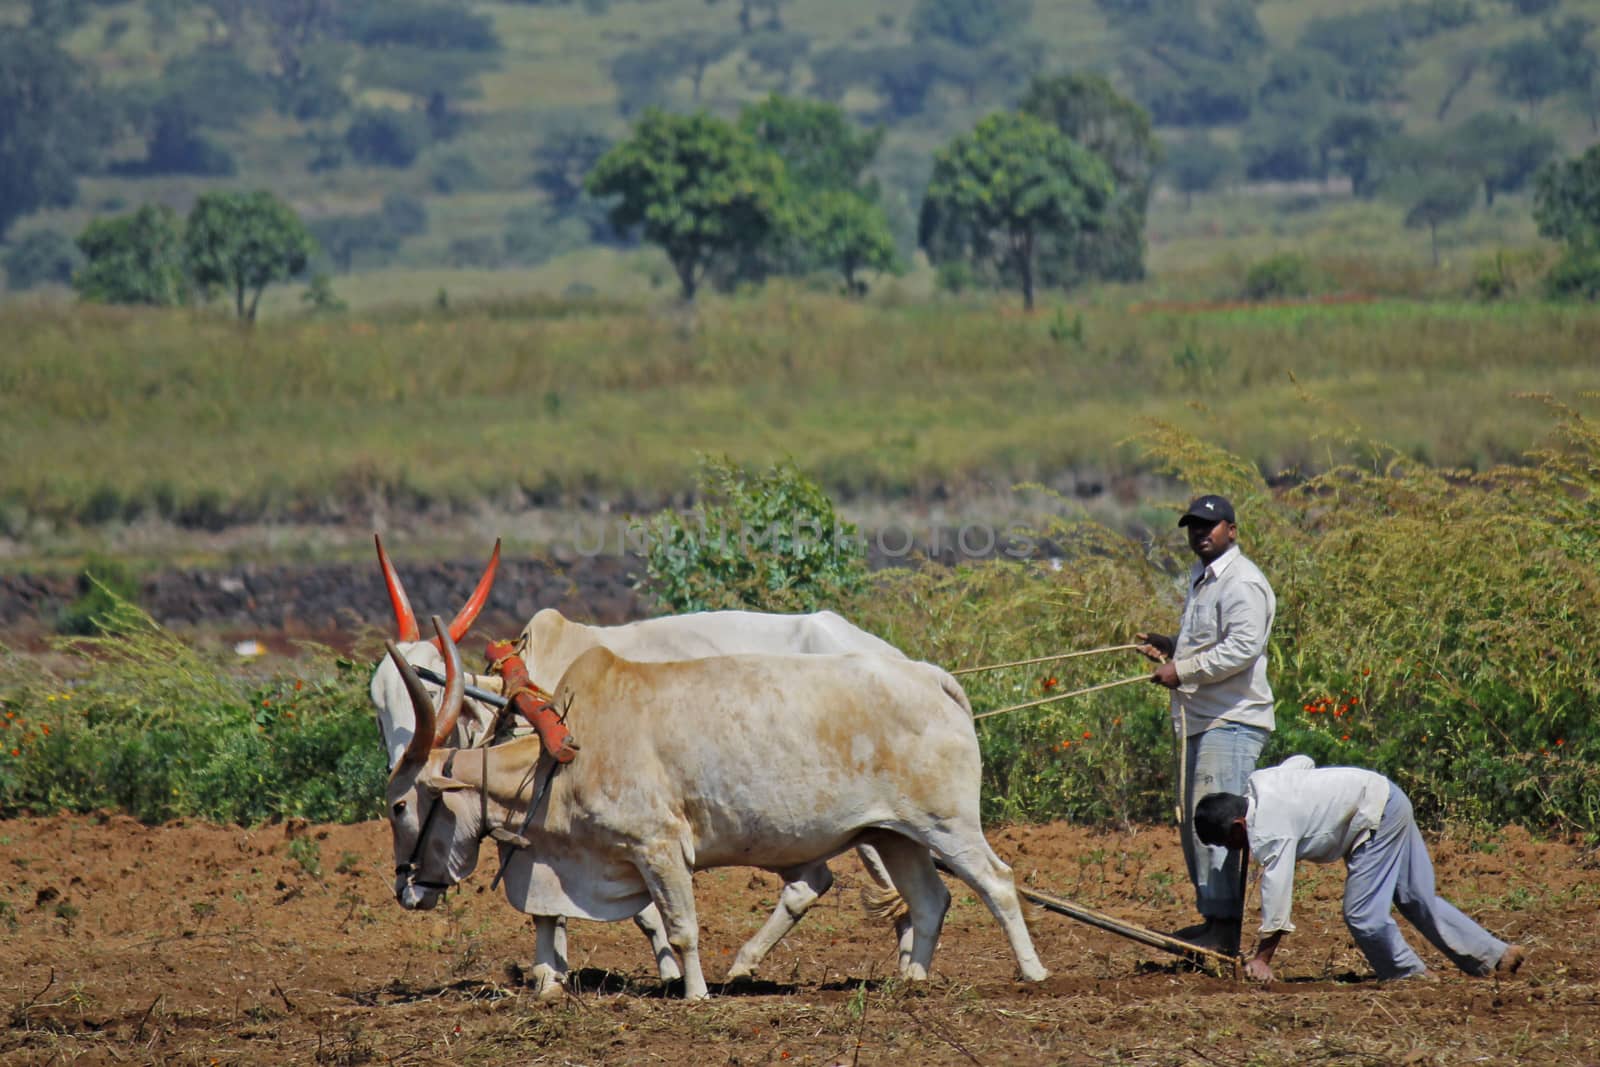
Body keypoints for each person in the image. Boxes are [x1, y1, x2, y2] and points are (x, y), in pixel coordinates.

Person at [1195, 755, 1528, 983]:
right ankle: (1496, 955)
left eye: (1228, 843)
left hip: (1376, 815)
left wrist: (1262, 959)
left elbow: (1277, 902)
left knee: (1362, 913)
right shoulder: (1260, 783)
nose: (1232, 851)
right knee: (1414, 897)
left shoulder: (1270, 829)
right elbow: (1302, 762)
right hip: (1386, 795)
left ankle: (1408, 976)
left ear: (1239, 825)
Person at [1137, 493, 1274, 955]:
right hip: (1203, 719)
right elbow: (1209, 642)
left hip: (1231, 719)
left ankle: (1223, 931)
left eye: (1210, 526)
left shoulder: (1243, 582)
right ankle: (1215, 921)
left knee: (1219, 824)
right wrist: (1172, 646)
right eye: (1194, 526)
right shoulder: (1202, 578)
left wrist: (1183, 671)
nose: (1201, 533)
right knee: (1199, 825)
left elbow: (1243, 647)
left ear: (1232, 531)